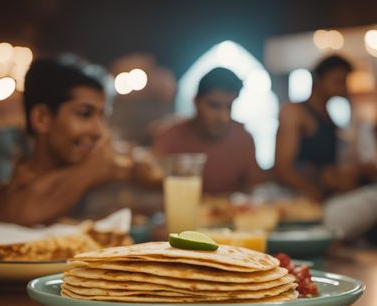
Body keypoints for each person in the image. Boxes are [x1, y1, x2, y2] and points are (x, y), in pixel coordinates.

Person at [0, 55, 132, 226]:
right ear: (42, 118)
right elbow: (13, 216)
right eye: (84, 114)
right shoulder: (1, 184)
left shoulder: (102, 178)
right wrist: (91, 170)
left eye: (102, 117)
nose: (100, 132)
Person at [153, 67, 266, 194]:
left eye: (229, 107)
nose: (223, 117)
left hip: (233, 212)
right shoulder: (170, 137)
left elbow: (255, 190)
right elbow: (156, 190)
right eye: (214, 105)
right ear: (196, 102)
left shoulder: (243, 137)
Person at [275, 55, 358, 201]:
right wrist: (313, 192)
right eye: (338, 80)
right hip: (299, 199)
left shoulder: (329, 118)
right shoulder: (294, 112)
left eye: (344, 81)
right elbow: (282, 168)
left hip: (325, 197)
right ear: (319, 79)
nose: (344, 87)